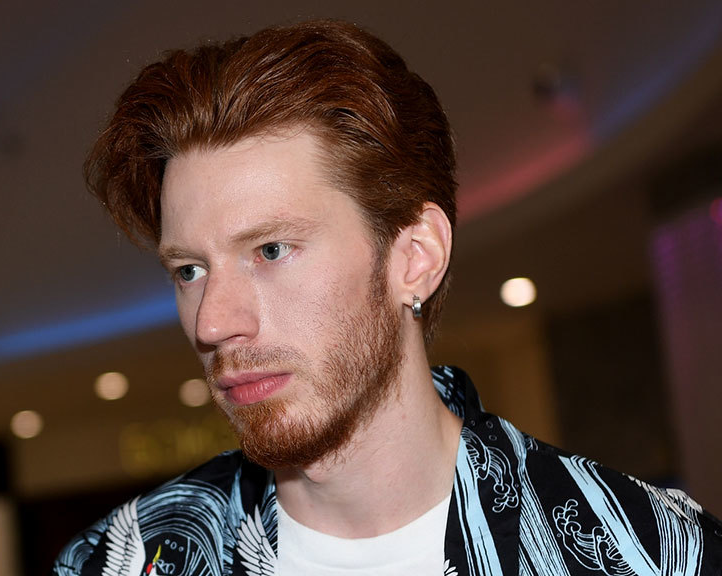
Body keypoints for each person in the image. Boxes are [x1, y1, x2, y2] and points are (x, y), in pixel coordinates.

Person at [54, 19, 722, 576]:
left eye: (271, 250)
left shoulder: (652, 555)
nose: (211, 322)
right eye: (189, 270)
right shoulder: (118, 561)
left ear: (415, 257)